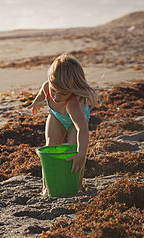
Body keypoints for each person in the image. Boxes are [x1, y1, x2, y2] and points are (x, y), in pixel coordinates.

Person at [27, 53, 100, 194]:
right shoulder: (48, 86)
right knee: (50, 147)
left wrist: (81, 153)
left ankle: (77, 186)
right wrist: (37, 101)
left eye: (63, 93)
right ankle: (46, 186)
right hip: (56, 117)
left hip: (76, 123)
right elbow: (42, 93)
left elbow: (82, 129)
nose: (55, 97)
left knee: (74, 150)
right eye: (54, 91)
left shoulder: (72, 103)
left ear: (72, 90)